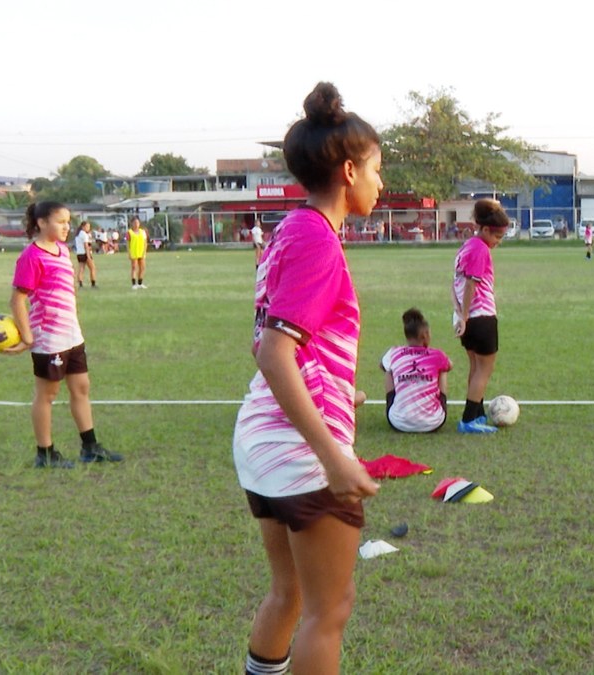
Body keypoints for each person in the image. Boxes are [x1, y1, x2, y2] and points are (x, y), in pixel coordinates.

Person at [233, 82, 382, 675]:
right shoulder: (318, 239)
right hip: (300, 451)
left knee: (288, 593)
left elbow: (273, 342)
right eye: (376, 168)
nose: (380, 181)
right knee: (330, 608)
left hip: (263, 441)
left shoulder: (291, 231)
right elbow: (274, 351)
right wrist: (335, 457)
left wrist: (337, 386)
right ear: (348, 170)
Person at [5, 201, 122, 469]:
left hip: (72, 335)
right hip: (48, 338)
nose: (66, 227)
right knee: (47, 394)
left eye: (68, 222)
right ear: (42, 223)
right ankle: (45, 454)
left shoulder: (61, 249)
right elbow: (17, 300)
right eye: (60, 221)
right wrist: (28, 337)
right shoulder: (31, 257)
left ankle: (90, 447)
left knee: (81, 388)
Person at [452, 198, 510, 434]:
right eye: (496, 237)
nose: (497, 242)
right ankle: (468, 420)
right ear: (485, 229)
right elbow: (470, 285)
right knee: (484, 370)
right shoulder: (479, 249)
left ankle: (477, 413)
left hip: (467, 318)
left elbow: (453, 284)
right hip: (481, 317)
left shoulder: (465, 247)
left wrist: (458, 314)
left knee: (475, 368)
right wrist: (465, 316)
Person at [381, 308, 451, 432]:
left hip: (398, 422)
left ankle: (395, 405)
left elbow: (382, 365)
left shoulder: (394, 353)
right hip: (433, 422)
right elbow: (449, 365)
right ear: (424, 335)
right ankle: (440, 403)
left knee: (388, 368)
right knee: (443, 368)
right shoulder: (437, 355)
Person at [73, 221, 97, 288]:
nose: (88, 228)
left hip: (79, 253)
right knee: (93, 268)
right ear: (83, 227)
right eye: (87, 226)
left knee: (81, 269)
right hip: (85, 253)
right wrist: (88, 256)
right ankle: (93, 283)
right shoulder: (84, 234)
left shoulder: (78, 234)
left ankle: (80, 284)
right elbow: (86, 245)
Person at [127, 217, 148, 288]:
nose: (136, 224)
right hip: (134, 252)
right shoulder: (129, 232)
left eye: (137, 223)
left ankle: (140, 283)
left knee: (142, 267)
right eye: (135, 223)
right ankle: (133, 284)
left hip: (141, 251)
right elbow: (128, 243)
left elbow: (145, 242)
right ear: (132, 223)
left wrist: (144, 251)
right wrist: (129, 253)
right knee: (134, 267)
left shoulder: (142, 232)